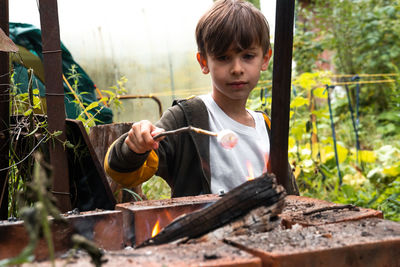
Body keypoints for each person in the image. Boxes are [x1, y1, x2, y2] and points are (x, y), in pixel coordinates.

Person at [104, 0, 299, 197]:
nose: (237, 69)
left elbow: (290, 195)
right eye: (223, 58)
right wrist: (136, 147)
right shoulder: (188, 117)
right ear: (204, 62)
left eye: (248, 56)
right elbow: (124, 173)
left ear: (265, 59)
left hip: (267, 226)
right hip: (205, 227)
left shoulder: (266, 127)